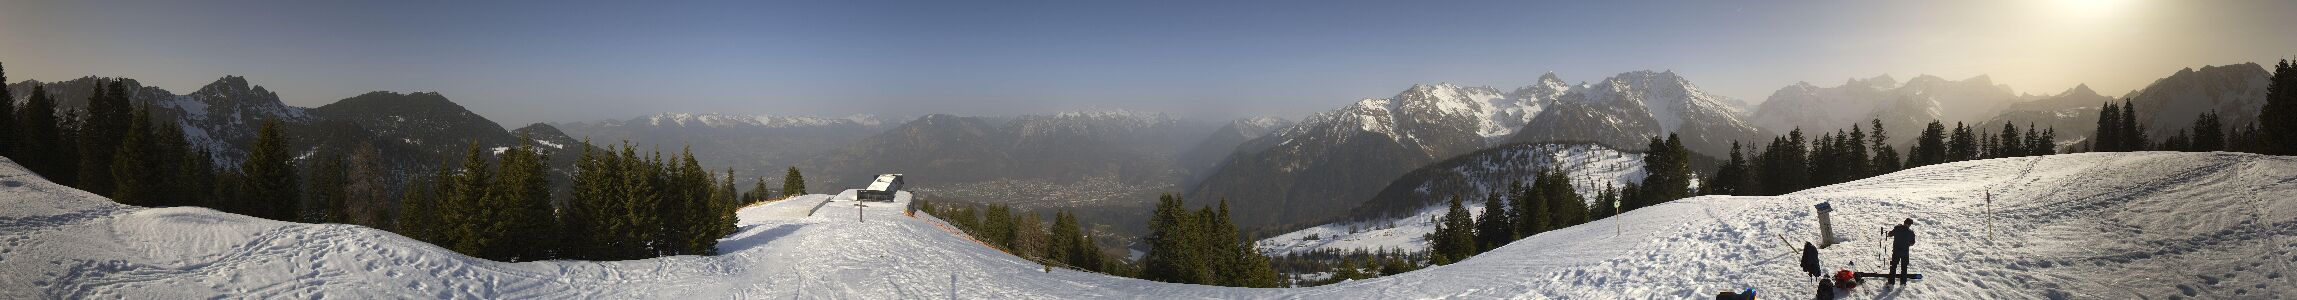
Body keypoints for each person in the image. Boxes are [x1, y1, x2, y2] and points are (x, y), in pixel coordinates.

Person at [1888, 218, 1916, 284]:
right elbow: (1912, 243)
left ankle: (1891, 283)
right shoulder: (1911, 232)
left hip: (1896, 251)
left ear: (1904, 222)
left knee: (1893, 267)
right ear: (1910, 225)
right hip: (1905, 252)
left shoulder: (1897, 228)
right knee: (1904, 268)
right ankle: (1903, 283)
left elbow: (1889, 235)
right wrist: (1907, 244)